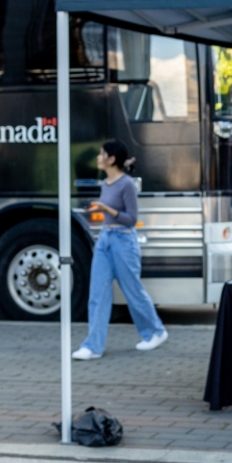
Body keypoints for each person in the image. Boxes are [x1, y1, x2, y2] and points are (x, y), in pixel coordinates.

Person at [72, 140, 168, 360]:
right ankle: (93, 346)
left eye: (101, 153)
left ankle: (155, 332)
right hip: (105, 239)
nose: (98, 157)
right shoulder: (105, 183)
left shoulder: (126, 184)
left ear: (111, 159)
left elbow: (131, 219)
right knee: (97, 293)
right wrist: (100, 209)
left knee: (133, 290)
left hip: (124, 241)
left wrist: (106, 209)